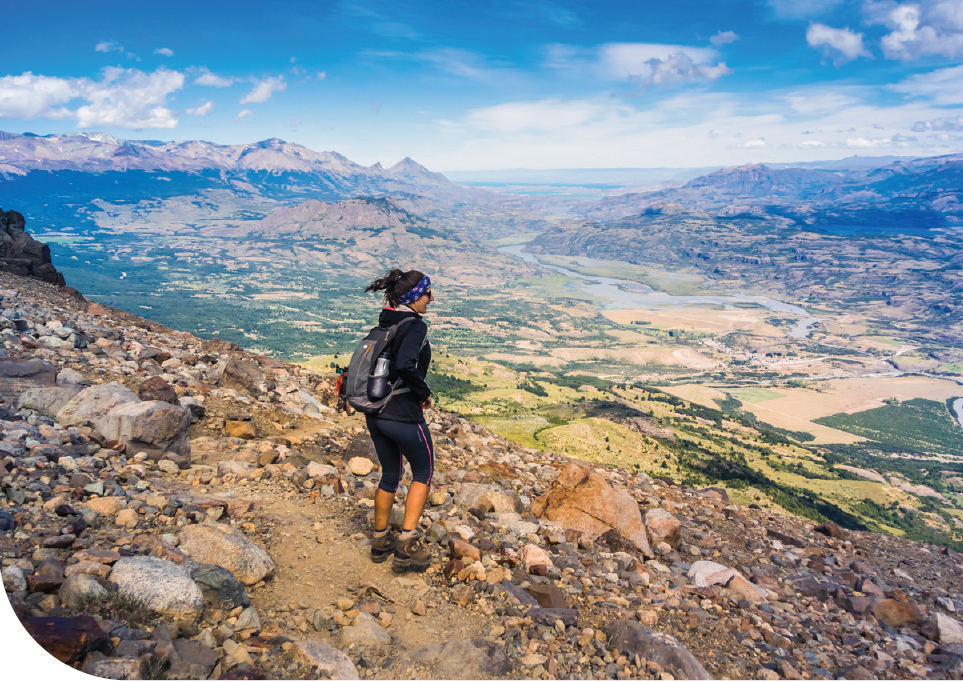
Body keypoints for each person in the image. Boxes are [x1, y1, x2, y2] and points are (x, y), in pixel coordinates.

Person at [362, 268, 435, 573]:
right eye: (428, 293)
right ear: (415, 297)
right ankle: (407, 545)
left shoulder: (387, 321)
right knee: (423, 471)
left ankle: (380, 542)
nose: (432, 299)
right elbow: (406, 364)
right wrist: (424, 393)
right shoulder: (415, 326)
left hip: (375, 413)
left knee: (390, 474)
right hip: (402, 415)